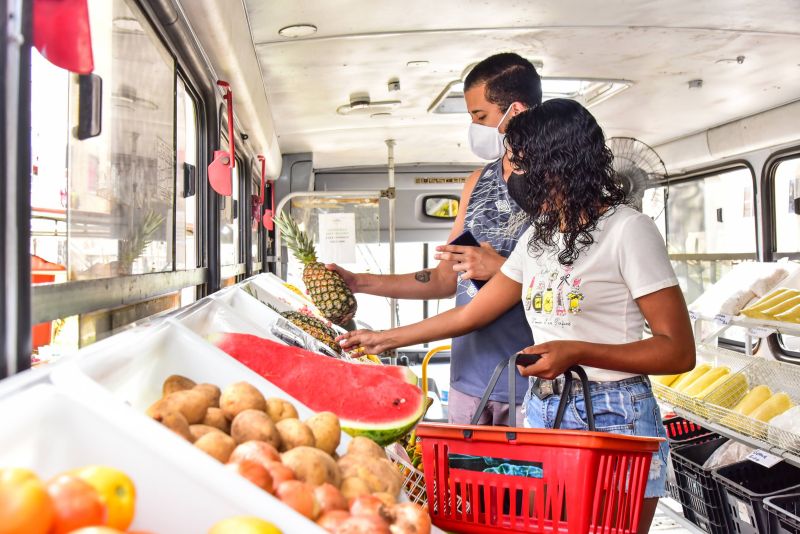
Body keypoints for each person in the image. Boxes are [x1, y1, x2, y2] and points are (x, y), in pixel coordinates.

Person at [339, 99, 696, 532]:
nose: (515, 178)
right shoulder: (539, 237)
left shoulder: (628, 230)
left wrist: (577, 351)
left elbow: (677, 351)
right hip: (544, 409)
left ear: (560, 165)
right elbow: (472, 315)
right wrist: (383, 339)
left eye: (524, 165)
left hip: (612, 414)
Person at [329, 53, 543, 425]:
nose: (474, 128)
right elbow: (445, 279)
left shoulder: (560, 186)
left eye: (480, 117)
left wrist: (503, 269)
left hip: (535, 384)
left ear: (517, 112)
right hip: (469, 381)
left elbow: (575, 286)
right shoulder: (477, 183)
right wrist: (360, 282)